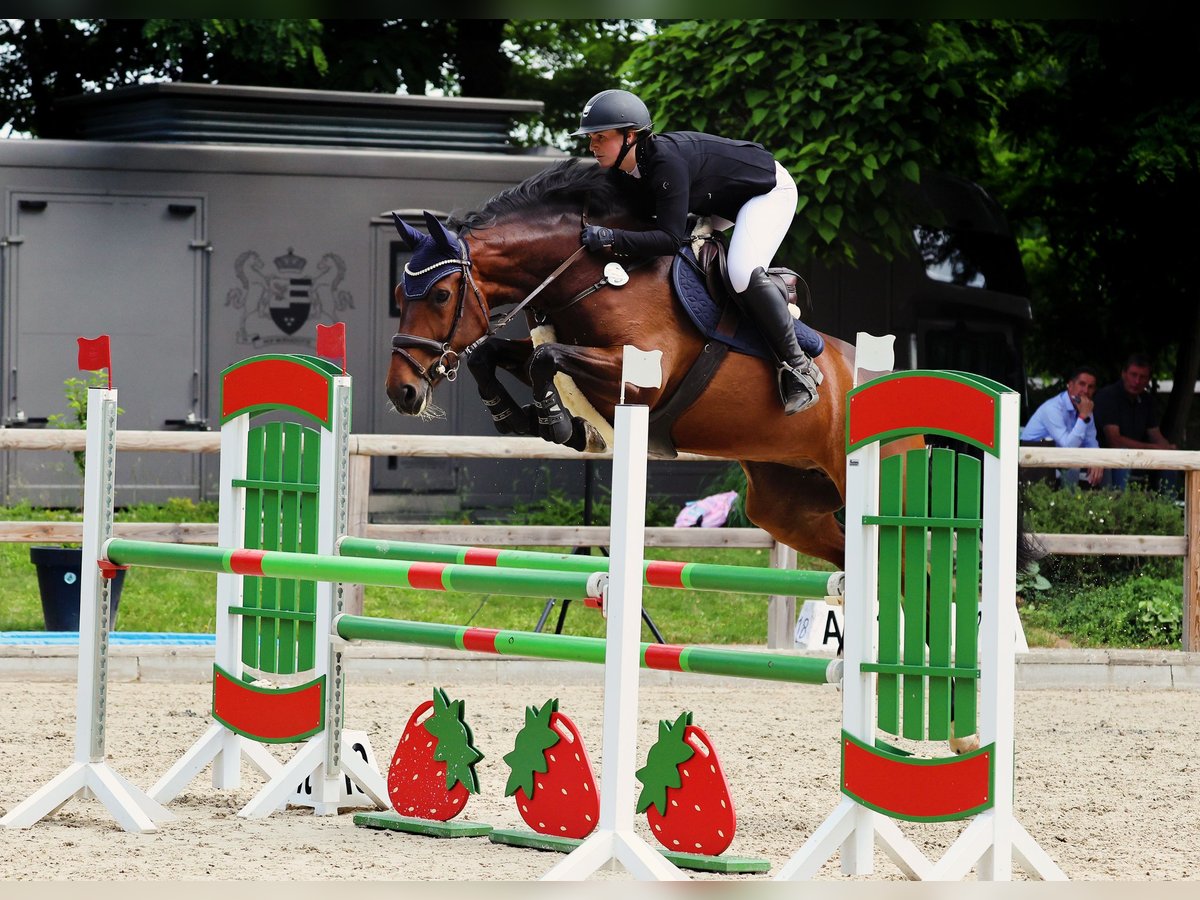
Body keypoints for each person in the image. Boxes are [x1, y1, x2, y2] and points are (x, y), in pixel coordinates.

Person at [571, 88, 822, 415]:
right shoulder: (626, 170)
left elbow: (668, 239)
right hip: (718, 197)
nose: (592, 146)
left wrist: (610, 238)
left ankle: (799, 368)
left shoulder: (665, 163)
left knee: (742, 272)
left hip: (765, 192)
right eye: (591, 138)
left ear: (630, 136)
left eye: (600, 137)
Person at [1093, 353, 1177, 490]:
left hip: (1140, 460)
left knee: (1171, 460)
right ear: (1123, 374)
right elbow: (1114, 441)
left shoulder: (1146, 400)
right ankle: (1120, 508)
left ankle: (1169, 506)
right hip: (1108, 461)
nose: (1137, 381)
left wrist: (1168, 449)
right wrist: (1154, 448)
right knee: (1123, 454)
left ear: (1148, 380)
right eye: (1133, 375)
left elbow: (1155, 435)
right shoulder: (1108, 396)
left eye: (1142, 377)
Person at [1020, 365, 1104, 489]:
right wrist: (1083, 416)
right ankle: (1070, 504)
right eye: (1082, 384)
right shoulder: (1053, 408)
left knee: (1103, 465)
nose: (1086, 391)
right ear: (1070, 385)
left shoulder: (1085, 409)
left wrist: (1097, 460)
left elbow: (1091, 442)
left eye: (1090, 387)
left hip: (1057, 462)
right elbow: (1068, 447)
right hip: (1033, 462)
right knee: (1073, 464)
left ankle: (1109, 500)